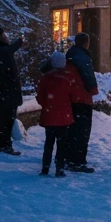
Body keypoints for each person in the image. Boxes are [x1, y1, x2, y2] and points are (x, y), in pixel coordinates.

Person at [36, 51, 79, 177]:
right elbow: (74, 97)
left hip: (49, 116)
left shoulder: (45, 79)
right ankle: (59, 168)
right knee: (62, 144)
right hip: (64, 117)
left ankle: (45, 167)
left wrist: (48, 105)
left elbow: (40, 98)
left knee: (49, 143)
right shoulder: (68, 79)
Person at [65, 31, 98, 172]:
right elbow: (89, 78)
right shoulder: (83, 57)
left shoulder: (70, 54)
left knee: (72, 130)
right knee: (82, 132)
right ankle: (77, 161)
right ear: (86, 43)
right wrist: (93, 90)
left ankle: (68, 158)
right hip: (82, 98)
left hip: (71, 98)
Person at [0, 27, 24, 155]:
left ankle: (4, 144)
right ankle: (4, 145)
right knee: (6, 119)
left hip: (6, 91)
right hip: (6, 92)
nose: (6, 36)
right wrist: (19, 41)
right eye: (4, 35)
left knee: (7, 119)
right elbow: (9, 50)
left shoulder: (0, 49)